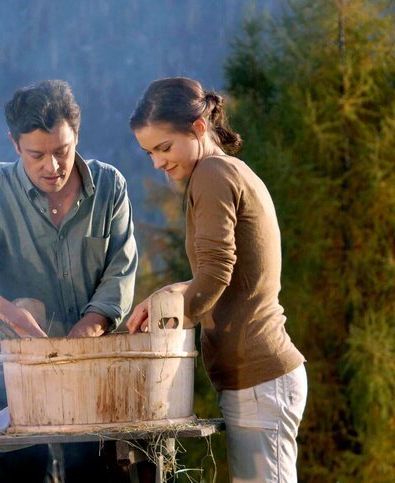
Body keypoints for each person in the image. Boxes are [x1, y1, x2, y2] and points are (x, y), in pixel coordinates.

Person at [0, 79, 138, 481]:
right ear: (14, 145)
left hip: (89, 368)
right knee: (17, 476)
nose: (53, 167)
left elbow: (121, 270)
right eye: (37, 155)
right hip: (8, 372)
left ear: (77, 136)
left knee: (97, 476)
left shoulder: (110, 188)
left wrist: (85, 332)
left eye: (62, 151)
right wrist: (11, 317)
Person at [126, 77, 307, 482]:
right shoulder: (226, 171)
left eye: (164, 147)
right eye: (149, 152)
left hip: (260, 376)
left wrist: (164, 333)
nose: (157, 162)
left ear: (198, 128)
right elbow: (221, 270)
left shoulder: (211, 173)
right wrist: (166, 294)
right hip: (256, 380)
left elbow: (215, 272)